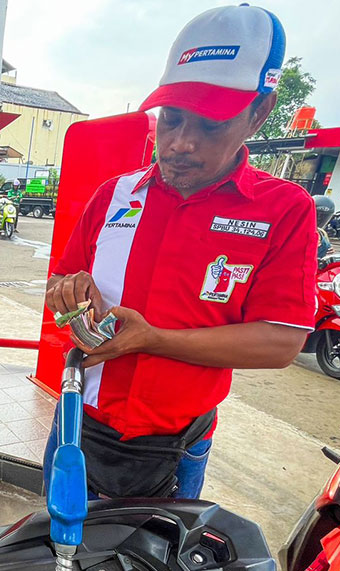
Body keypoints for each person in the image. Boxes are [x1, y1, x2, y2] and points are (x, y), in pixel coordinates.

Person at [43, 5, 317, 500]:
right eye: (171, 119)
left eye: (211, 125)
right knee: (55, 542)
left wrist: (153, 340)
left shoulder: (283, 209)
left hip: (175, 443)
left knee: (156, 553)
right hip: (76, 421)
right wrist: (67, 292)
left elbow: (281, 343)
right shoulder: (114, 195)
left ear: (259, 112)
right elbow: (58, 282)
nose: (181, 144)